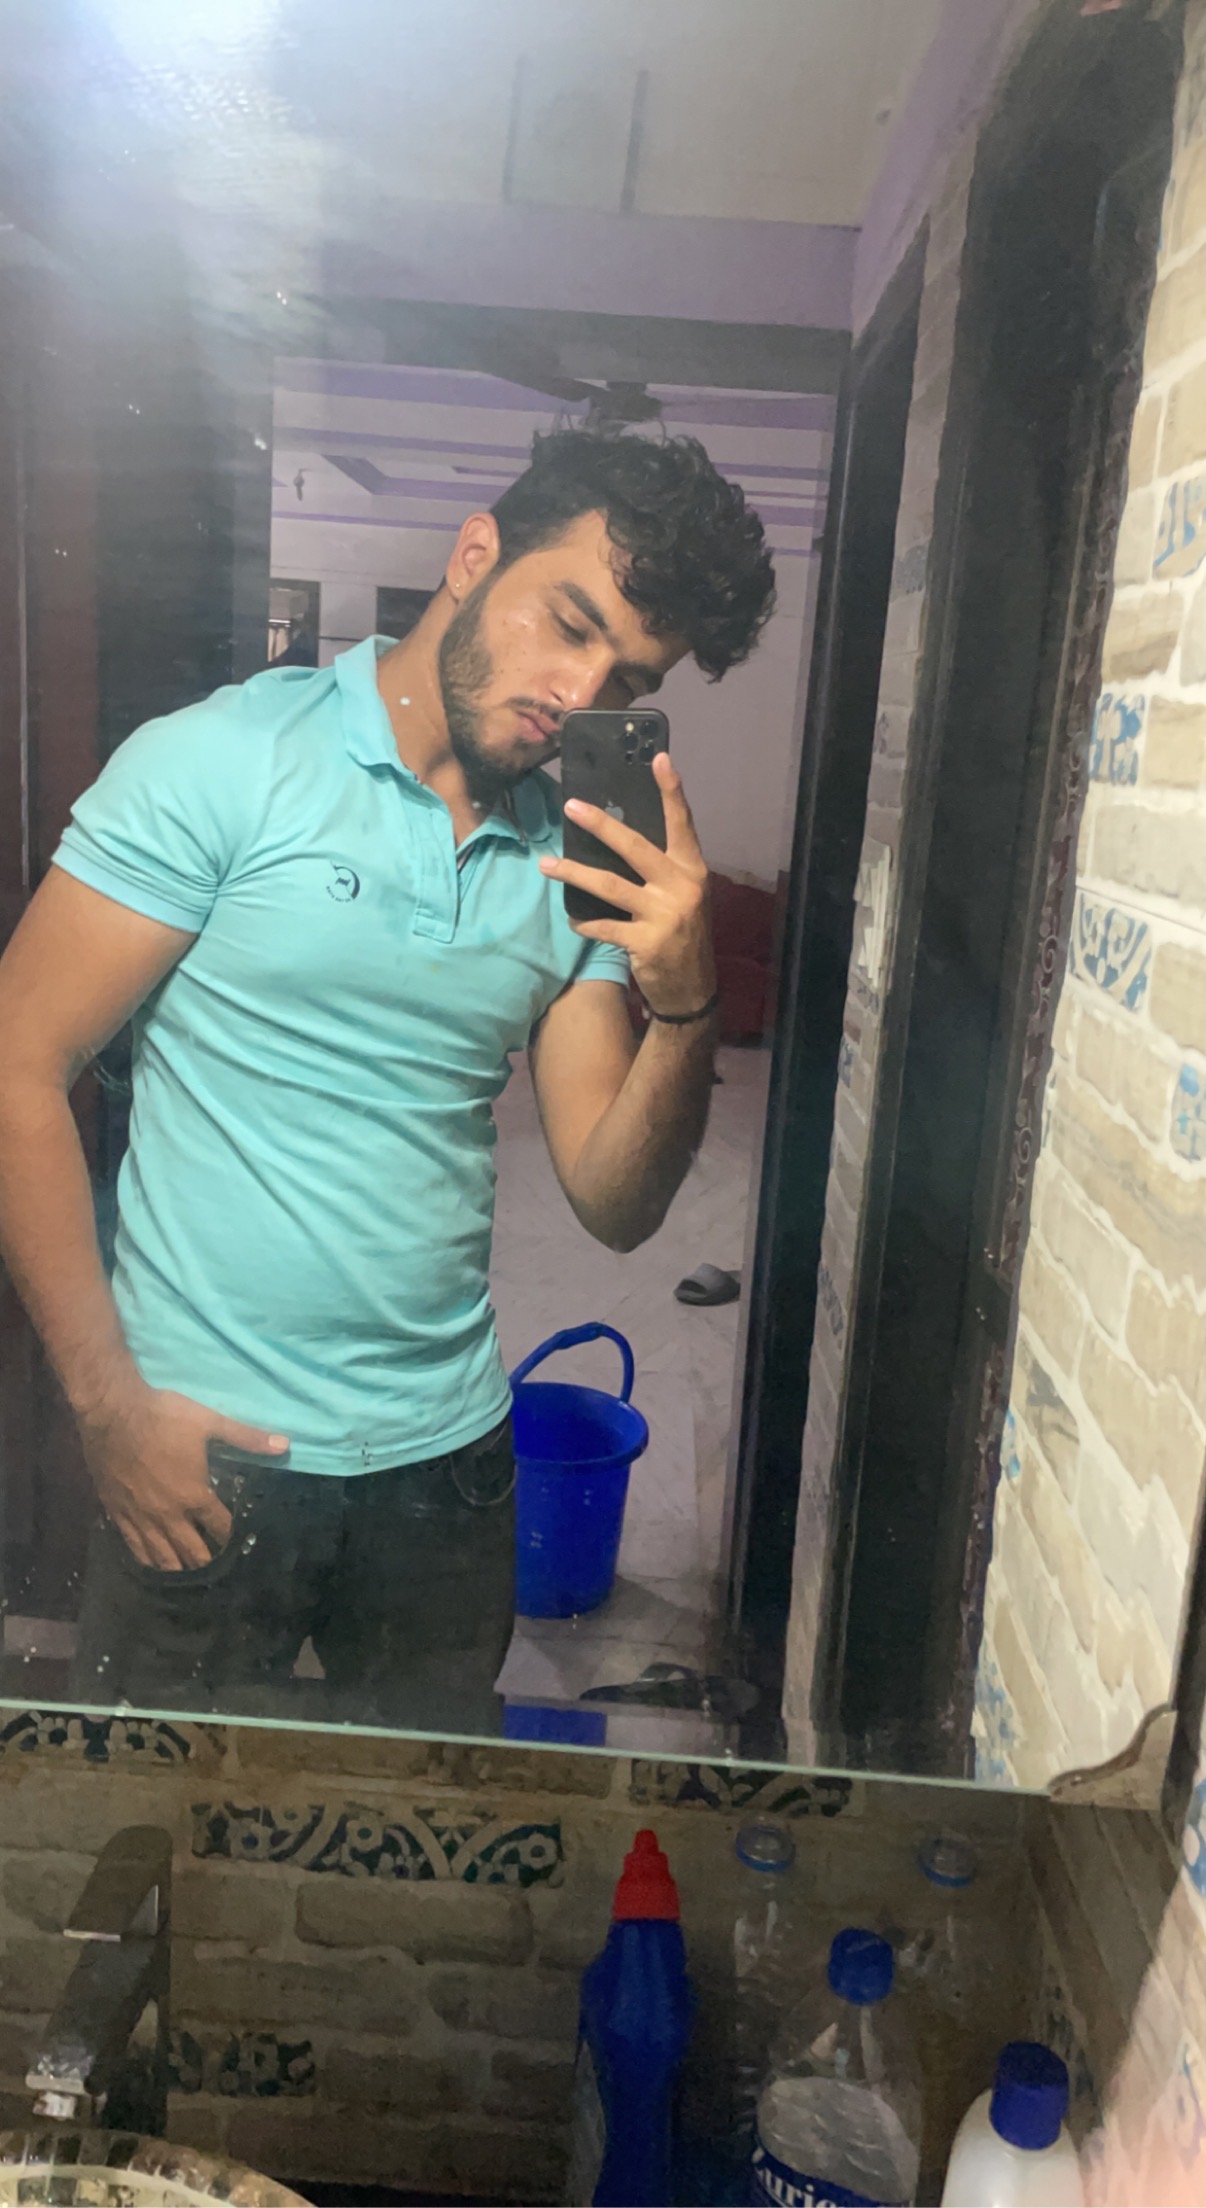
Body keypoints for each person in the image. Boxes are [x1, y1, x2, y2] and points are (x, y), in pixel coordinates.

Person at [0, 426, 775, 1731]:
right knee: (154, 1836)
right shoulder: (225, 761)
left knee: (417, 1844)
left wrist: (688, 1002)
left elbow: (614, 1201)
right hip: (207, 1448)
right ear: (474, 556)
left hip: (449, 1471)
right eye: (566, 623)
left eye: (626, 678)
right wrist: (105, 1405)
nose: (575, 691)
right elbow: (20, 1062)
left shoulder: (569, 864)